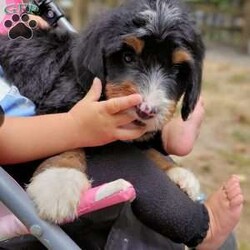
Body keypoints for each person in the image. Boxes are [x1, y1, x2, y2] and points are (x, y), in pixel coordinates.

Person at [0, 14, 244, 250]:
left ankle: (161, 137)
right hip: (19, 148)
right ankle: (203, 228)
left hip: (26, 93)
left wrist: (21, 19)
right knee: (121, 156)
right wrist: (75, 129)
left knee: (116, 124)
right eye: (129, 58)